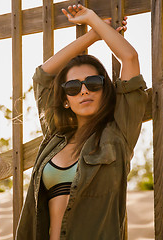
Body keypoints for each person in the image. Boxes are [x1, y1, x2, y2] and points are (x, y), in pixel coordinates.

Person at [15, 4, 148, 240]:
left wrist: (92, 19)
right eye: (74, 87)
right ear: (66, 100)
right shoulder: (55, 136)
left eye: (93, 83)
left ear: (105, 89)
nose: (84, 91)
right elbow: (43, 75)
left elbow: (130, 57)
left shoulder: (118, 133)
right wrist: (93, 35)